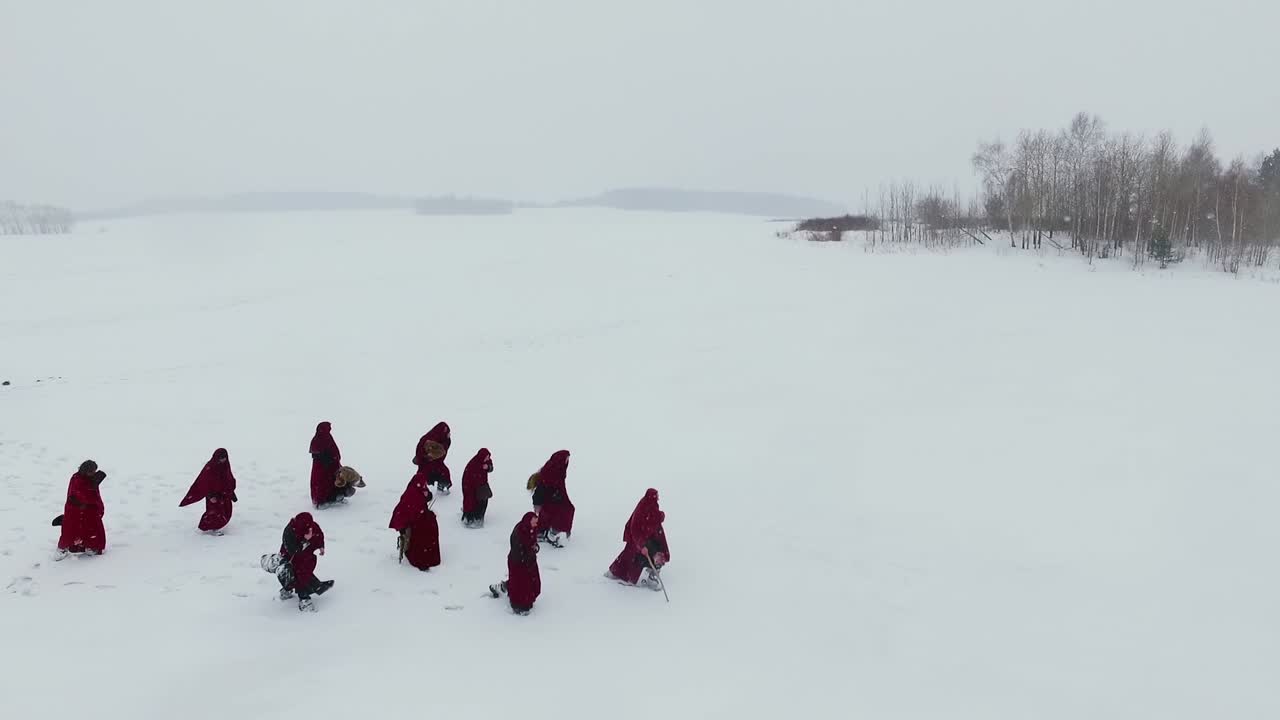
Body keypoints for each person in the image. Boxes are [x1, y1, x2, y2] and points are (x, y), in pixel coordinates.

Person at [263, 512, 333, 611]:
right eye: (307, 528)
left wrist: (321, 546)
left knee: (303, 575)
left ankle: (296, 590)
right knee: (293, 575)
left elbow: (319, 534)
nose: (310, 529)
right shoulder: (289, 532)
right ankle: (303, 598)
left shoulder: (312, 526)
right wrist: (306, 540)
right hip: (291, 557)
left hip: (307, 557)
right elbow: (294, 552)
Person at [607, 488, 670, 590]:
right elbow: (634, 528)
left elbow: (654, 517)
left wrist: (660, 516)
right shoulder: (642, 508)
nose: (658, 498)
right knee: (631, 555)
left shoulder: (652, 505)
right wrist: (641, 545)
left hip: (650, 536)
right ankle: (616, 573)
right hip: (637, 537)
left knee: (658, 552)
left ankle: (653, 575)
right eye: (656, 496)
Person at [489, 511, 541, 615]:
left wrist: (535, 548)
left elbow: (532, 543)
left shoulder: (531, 529)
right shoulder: (520, 532)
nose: (536, 525)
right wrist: (529, 553)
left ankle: (504, 588)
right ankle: (520, 605)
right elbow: (518, 550)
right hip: (518, 563)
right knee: (520, 584)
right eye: (534, 522)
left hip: (529, 561)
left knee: (530, 582)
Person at [389, 468, 441, 571]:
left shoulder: (419, 489)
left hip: (416, 520)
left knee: (431, 525)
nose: (425, 486)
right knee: (424, 531)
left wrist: (427, 495)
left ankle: (428, 555)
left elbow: (426, 497)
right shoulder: (412, 494)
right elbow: (411, 513)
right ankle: (421, 557)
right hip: (409, 524)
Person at [55, 460, 107, 559]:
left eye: (94, 471)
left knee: (92, 528)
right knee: (71, 530)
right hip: (75, 510)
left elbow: (95, 495)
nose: (93, 474)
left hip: (88, 509)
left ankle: (91, 547)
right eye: (91, 471)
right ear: (85, 470)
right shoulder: (76, 479)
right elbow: (80, 495)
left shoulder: (90, 479)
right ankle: (62, 549)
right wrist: (93, 485)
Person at [178, 448, 238, 534]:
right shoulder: (210, 467)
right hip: (213, 495)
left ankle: (215, 526)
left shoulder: (225, 466)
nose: (223, 460)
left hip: (224, 494)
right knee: (214, 512)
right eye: (221, 458)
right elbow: (204, 482)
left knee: (226, 511)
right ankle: (212, 528)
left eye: (225, 458)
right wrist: (210, 496)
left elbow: (228, 479)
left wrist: (231, 493)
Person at [531, 450, 574, 547]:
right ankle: (552, 533)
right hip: (549, 499)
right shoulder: (551, 471)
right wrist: (537, 503)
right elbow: (542, 487)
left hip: (556, 497)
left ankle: (548, 531)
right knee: (564, 510)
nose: (567, 461)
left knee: (566, 509)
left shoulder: (560, 469)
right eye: (566, 458)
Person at [309, 421, 343, 508]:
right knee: (322, 483)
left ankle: (332, 497)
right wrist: (329, 460)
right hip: (322, 468)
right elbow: (316, 454)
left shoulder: (327, 437)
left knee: (332, 481)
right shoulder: (318, 440)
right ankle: (321, 501)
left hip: (331, 466)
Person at [413, 421, 452, 493]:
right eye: (447, 433)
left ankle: (442, 488)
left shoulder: (446, 440)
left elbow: (443, 451)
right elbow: (420, 451)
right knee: (421, 477)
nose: (449, 435)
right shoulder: (426, 440)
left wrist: (437, 454)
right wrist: (425, 457)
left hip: (438, 463)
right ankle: (417, 490)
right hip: (425, 463)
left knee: (444, 474)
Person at [460, 448, 494, 528]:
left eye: (488, 457)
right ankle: (468, 518)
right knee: (471, 501)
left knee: (483, 500)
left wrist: (488, 467)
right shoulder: (473, 464)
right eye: (487, 457)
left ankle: (479, 518)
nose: (488, 459)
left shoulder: (486, 461)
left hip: (481, 485)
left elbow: (491, 467)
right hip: (470, 486)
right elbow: (470, 478)